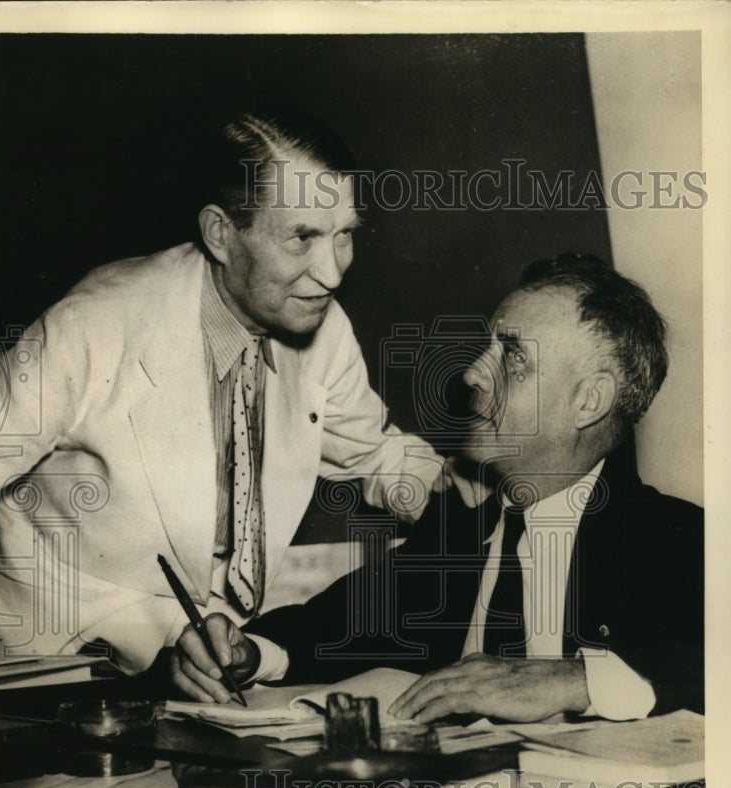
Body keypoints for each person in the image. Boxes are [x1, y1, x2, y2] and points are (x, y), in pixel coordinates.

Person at [0, 107, 441, 677]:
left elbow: (373, 454)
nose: (332, 273)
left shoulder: (320, 324)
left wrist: (461, 490)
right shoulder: (94, 325)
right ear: (221, 234)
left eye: (344, 235)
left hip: (204, 656)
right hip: (44, 660)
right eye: (302, 238)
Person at [174, 253, 703, 722]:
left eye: (513, 356)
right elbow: (336, 627)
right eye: (487, 346)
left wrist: (575, 679)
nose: (473, 373)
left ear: (589, 402)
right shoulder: (458, 527)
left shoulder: (679, 544)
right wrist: (246, 652)